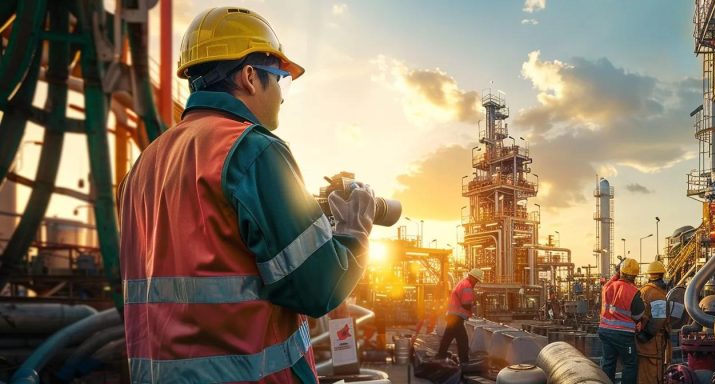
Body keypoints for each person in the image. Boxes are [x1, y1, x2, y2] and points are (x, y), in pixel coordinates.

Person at [117, 7, 373, 383]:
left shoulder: (142, 168)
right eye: (280, 79)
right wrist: (354, 232)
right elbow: (318, 287)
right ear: (250, 77)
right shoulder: (252, 150)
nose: (282, 97)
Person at [599, 258, 645, 384]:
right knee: (630, 364)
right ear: (635, 276)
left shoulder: (608, 286)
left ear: (621, 272)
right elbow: (638, 315)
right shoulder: (634, 292)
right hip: (623, 335)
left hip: (605, 331)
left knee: (608, 363)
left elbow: (613, 279)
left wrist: (618, 271)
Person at [436, 268, 484, 364]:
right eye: (476, 280)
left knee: (448, 337)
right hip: (457, 317)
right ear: (472, 278)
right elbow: (466, 304)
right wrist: (473, 303)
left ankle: (441, 354)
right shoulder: (467, 286)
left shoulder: (462, 283)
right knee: (463, 340)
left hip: (452, 315)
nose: (476, 283)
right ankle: (464, 361)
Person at [637, 261, 671, 384]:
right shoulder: (657, 294)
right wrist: (645, 336)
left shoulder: (643, 291)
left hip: (643, 345)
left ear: (649, 275)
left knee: (642, 375)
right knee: (652, 376)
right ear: (662, 275)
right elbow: (658, 321)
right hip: (653, 345)